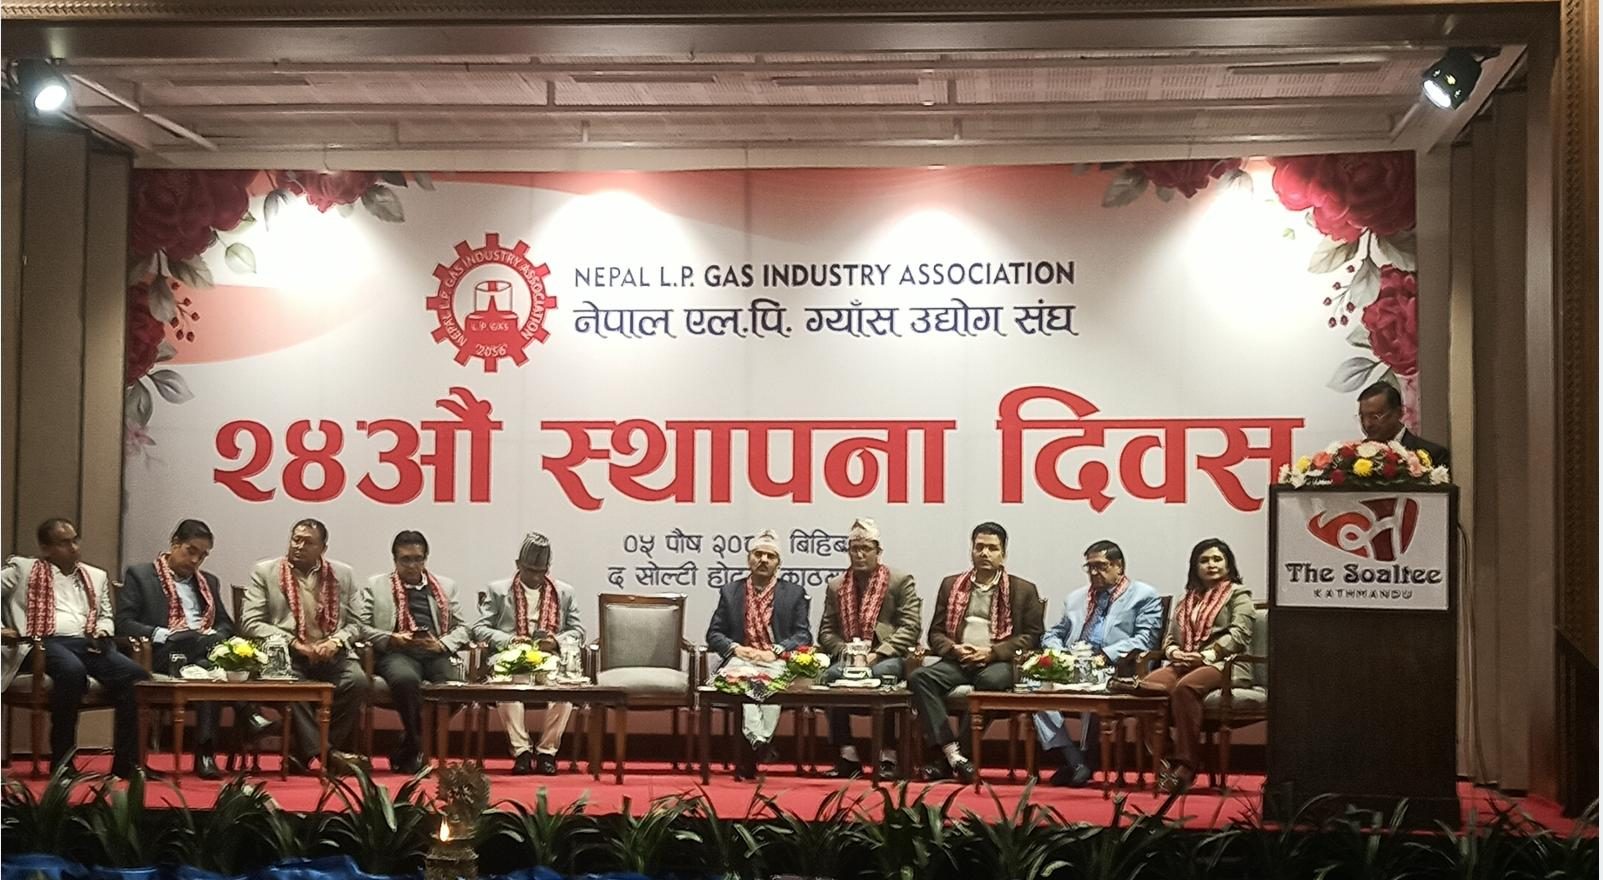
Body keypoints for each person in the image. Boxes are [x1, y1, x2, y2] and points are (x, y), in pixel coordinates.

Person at [118, 518, 266, 779]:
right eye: (191, 551)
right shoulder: (140, 575)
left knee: (208, 669)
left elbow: (225, 624)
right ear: (175, 544)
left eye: (203, 555)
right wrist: (163, 634)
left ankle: (205, 754)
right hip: (162, 653)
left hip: (200, 655)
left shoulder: (208, 581)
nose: (196, 560)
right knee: (210, 652)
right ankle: (245, 710)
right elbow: (124, 622)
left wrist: (214, 635)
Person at [1, 518, 150, 777]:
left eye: (75, 540)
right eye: (64, 543)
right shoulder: (22, 569)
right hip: (41, 643)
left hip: (87, 642)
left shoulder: (95, 575)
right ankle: (63, 762)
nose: (73, 548)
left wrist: (104, 629)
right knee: (72, 671)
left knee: (135, 676)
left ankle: (127, 765)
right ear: (46, 548)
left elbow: (105, 615)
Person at [908, 521, 1044, 783]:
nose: (985, 553)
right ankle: (953, 753)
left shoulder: (1023, 589)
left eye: (992, 548)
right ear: (971, 550)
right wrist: (954, 649)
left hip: (997, 662)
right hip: (959, 660)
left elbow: (1032, 636)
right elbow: (935, 632)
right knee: (919, 678)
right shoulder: (951, 585)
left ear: (1003, 553)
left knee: (989, 681)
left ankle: (951, 759)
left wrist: (991, 653)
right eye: (979, 547)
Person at [240, 518, 370, 774]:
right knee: (292, 686)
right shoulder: (265, 572)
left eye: (307, 542)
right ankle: (329, 755)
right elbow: (250, 622)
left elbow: (358, 623)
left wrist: (335, 641)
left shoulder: (343, 574)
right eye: (295, 540)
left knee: (357, 681)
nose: (298, 546)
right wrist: (294, 643)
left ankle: (303, 754)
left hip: (331, 653)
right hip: (287, 655)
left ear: (323, 548)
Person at [1032, 540, 1163, 787]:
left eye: (1101, 566)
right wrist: (1060, 653)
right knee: (1034, 690)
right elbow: (1055, 633)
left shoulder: (1143, 595)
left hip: (1117, 667)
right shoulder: (1076, 598)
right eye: (1089, 567)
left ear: (1119, 566)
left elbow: (1145, 639)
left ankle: (1084, 758)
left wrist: (1105, 655)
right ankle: (1075, 759)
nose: (1094, 572)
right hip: (1074, 662)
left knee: (1092, 688)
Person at [1141, 538, 1256, 792]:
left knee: (1185, 688)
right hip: (1185, 661)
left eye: (1217, 559)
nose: (1211, 565)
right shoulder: (1188, 599)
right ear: (1195, 566)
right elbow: (1170, 637)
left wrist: (1206, 655)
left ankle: (1187, 764)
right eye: (1204, 560)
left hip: (1224, 663)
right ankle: (1166, 758)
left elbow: (1239, 635)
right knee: (1147, 688)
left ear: (1228, 564)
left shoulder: (1238, 595)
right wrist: (1174, 651)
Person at [816, 517, 921, 779]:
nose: (860, 554)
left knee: (882, 677)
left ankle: (888, 756)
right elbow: (826, 631)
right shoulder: (836, 586)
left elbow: (911, 627)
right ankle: (847, 756)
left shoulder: (899, 581)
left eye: (866, 549)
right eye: (855, 549)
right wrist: (846, 651)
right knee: (830, 676)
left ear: (878, 551)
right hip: (849, 658)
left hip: (886, 656)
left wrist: (878, 653)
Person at [357, 530, 469, 775]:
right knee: (405, 680)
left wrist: (441, 645)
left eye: (417, 559)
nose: (411, 565)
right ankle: (419, 746)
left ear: (425, 559)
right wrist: (392, 638)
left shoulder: (445, 587)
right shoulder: (376, 586)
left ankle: (410, 742)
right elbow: (361, 627)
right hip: (397, 652)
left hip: (434, 652)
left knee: (456, 686)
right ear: (394, 560)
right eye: (405, 560)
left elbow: (463, 628)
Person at [472, 532, 582, 776]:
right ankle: (521, 751)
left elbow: (578, 631)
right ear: (518, 565)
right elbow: (479, 628)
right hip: (510, 655)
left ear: (548, 569)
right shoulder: (498, 591)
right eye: (529, 570)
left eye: (540, 571)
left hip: (548, 658)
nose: (534, 577)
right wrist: (510, 640)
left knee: (565, 687)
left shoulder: (564, 592)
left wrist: (555, 642)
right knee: (506, 683)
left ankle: (546, 752)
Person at [705, 529, 811, 781]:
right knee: (746, 683)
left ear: (778, 563)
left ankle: (753, 749)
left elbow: (803, 635)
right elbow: (714, 634)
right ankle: (761, 743)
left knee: (764, 685)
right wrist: (736, 648)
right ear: (748, 559)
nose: (763, 560)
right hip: (742, 658)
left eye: (770, 556)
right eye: (758, 554)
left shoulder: (794, 593)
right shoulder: (731, 591)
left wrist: (777, 650)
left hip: (774, 659)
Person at [1357, 381, 1450, 468]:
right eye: (1362, 417)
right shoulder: (1356, 455)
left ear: (1398, 413)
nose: (1367, 424)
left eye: (1374, 417)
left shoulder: (1433, 455)